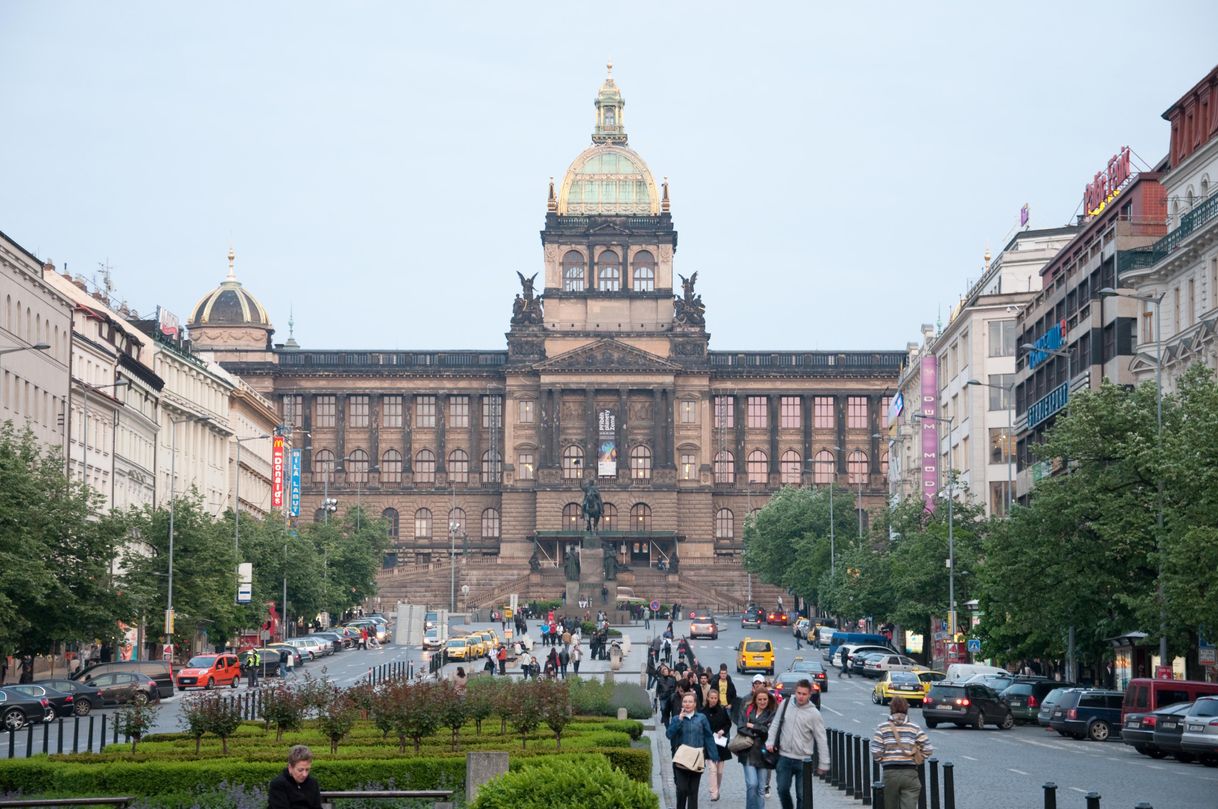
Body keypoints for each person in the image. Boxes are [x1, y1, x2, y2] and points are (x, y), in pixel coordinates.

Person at [765, 680, 830, 809]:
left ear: (809, 694)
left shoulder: (814, 714)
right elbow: (776, 724)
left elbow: (821, 739)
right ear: (795, 692)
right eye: (799, 693)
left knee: (802, 795)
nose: (801, 696)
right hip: (784, 756)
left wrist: (824, 762)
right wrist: (770, 741)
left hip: (803, 760)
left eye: (804, 694)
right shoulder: (785, 704)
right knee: (782, 789)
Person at [871, 696, 933, 809]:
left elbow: (876, 751)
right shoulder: (914, 727)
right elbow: (928, 748)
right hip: (910, 774)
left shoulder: (882, 728)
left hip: (890, 773)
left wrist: (883, 760)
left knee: (890, 805)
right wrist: (917, 758)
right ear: (906, 709)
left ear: (891, 709)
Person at [667, 691, 719, 809]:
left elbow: (708, 736)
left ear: (695, 704)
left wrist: (713, 755)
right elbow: (669, 734)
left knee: (693, 791)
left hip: (697, 758)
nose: (687, 704)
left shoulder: (701, 718)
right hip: (681, 759)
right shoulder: (676, 718)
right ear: (682, 703)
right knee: (681, 789)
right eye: (685, 701)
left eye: (690, 701)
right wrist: (679, 720)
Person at [738, 688, 777, 809]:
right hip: (748, 752)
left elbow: (768, 731)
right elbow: (740, 727)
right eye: (759, 699)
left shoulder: (772, 712)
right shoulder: (747, 709)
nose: (762, 702)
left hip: (764, 755)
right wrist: (758, 731)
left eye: (765, 699)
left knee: (761, 788)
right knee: (752, 784)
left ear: (768, 699)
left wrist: (752, 726)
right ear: (755, 699)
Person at [701, 686, 732, 801]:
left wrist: (723, 730)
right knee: (712, 769)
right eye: (711, 698)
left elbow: (728, 724)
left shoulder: (722, 710)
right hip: (709, 744)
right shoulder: (702, 712)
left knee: (719, 771)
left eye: (715, 698)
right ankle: (713, 792)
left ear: (718, 699)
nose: (713, 700)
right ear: (708, 698)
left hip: (720, 744)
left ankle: (717, 789)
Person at [268, 744, 323, 809]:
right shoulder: (278, 784)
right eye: (300, 770)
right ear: (290, 768)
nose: (304, 774)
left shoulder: (313, 783)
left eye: (307, 769)